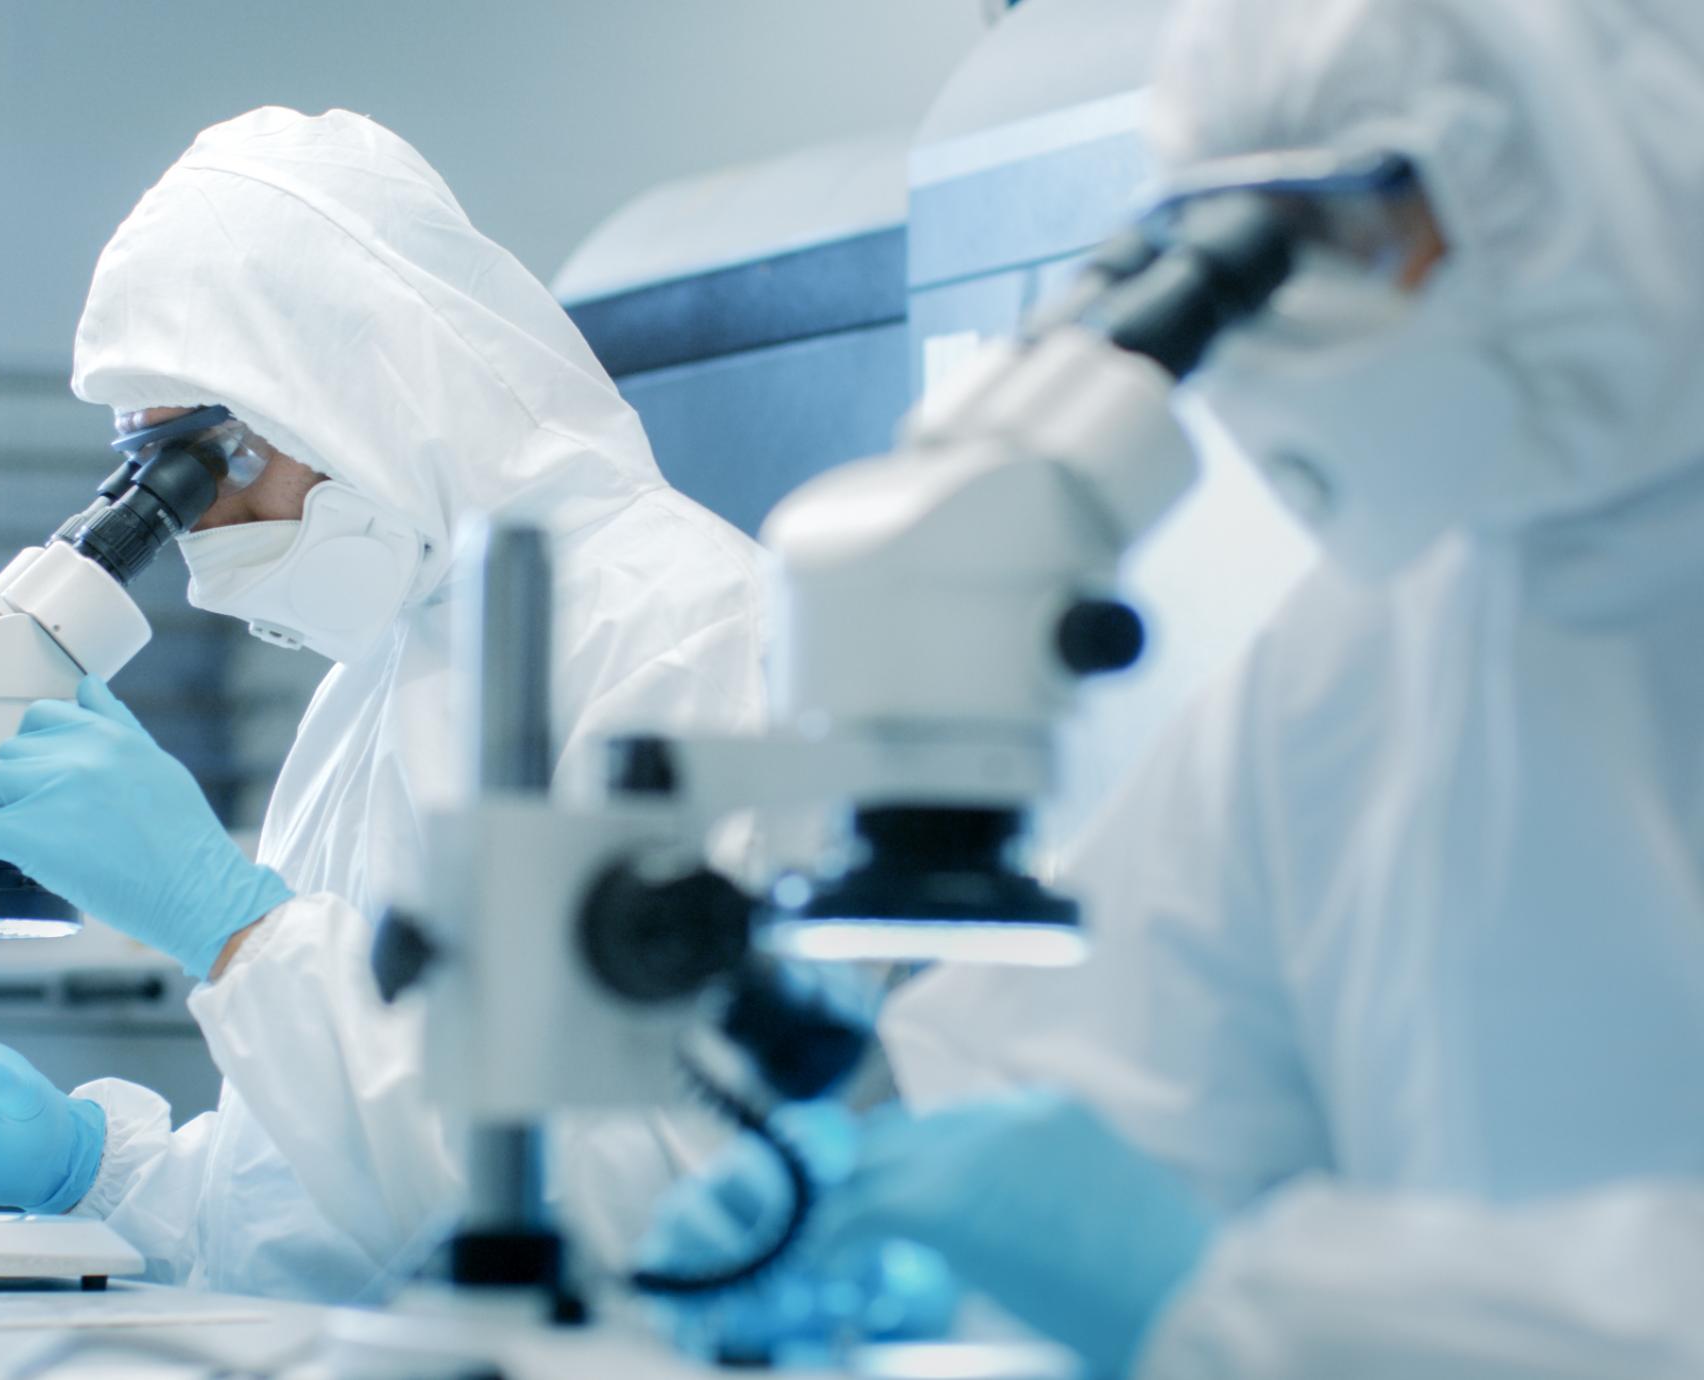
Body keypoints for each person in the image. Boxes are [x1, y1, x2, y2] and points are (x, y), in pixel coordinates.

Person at [643, 0, 1704, 1375]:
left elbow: (1166, 1260)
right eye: (1228, 252)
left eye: (1343, 227)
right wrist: (906, 1232)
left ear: (1607, 162)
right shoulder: (1361, 654)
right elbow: (1124, 1103)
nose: (1281, 331)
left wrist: (1224, 1294)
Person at [0, 106, 768, 1302]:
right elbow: (308, 1201)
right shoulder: (381, 678)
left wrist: (242, 936)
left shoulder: (689, 634)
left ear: (352, 388)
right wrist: (94, 1169)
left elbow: (651, 1200)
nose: (198, 535)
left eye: (203, 465)